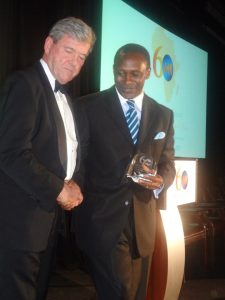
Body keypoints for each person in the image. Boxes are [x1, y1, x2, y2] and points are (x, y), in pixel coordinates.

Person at [0, 17, 96, 300]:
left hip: (47, 224)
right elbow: (11, 154)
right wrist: (58, 189)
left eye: (81, 57)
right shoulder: (24, 84)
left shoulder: (69, 99)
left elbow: (74, 152)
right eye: (69, 51)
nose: (75, 63)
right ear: (48, 44)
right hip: (19, 225)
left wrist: (75, 184)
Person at [73, 43, 176, 300]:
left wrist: (162, 180)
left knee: (137, 294)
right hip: (102, 218)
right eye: (121, 73)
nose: (127, 80)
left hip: (143, 222)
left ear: (148, 72)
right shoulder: (87, 107)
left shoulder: (164, 115)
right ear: (113, 70)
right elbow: (78, 159)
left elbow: (168, 162)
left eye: (135, 74)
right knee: (121, 292)